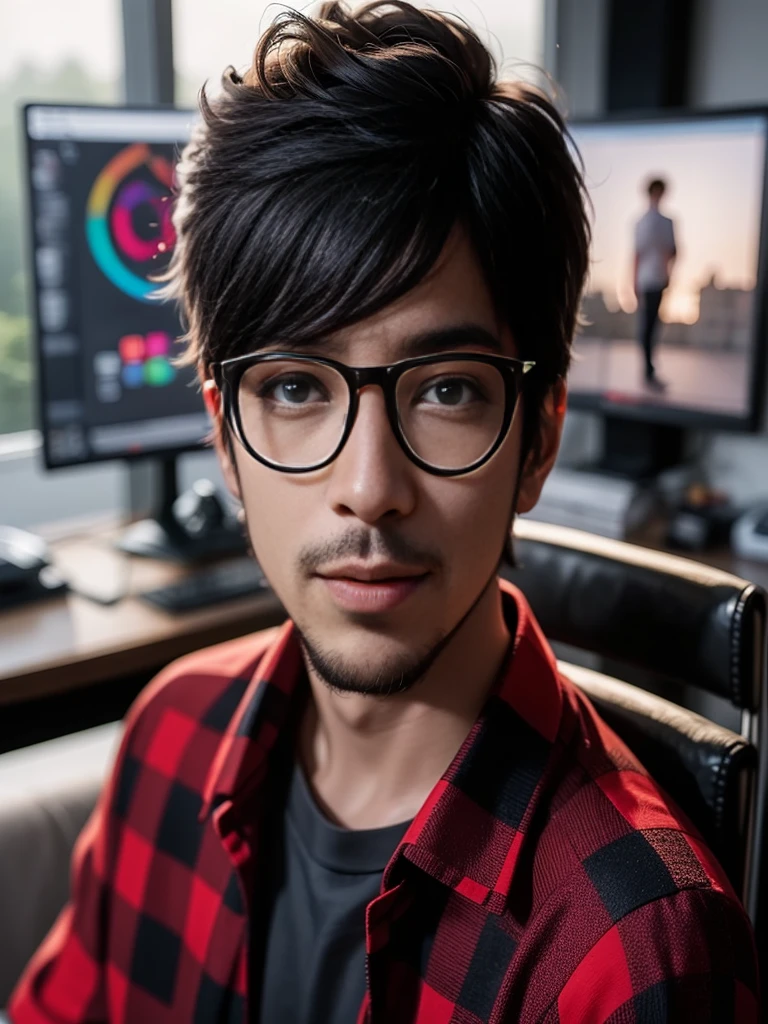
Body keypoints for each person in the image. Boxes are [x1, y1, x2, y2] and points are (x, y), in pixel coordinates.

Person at [10, 4, 759, 1022]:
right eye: (296, 386)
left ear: (537, 436)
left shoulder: (632, 954)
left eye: (446, 389)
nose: (370, 485)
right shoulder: (168, 733)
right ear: (226, 437)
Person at [634, 177, 677, 390]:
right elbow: (636, 255)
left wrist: (669, 274)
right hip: (646, 280)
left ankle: (648, 369)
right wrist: (633, 281)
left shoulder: (667, 222)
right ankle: (648, 371)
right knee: (648, 325)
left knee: (652, 325)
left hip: (658, 279)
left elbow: (673, 251)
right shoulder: (641, 222)